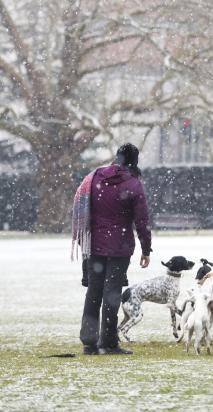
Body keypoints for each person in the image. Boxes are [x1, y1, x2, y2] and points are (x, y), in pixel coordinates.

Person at [72, 143, 152, 355]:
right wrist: (146, 249)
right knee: (112, 293)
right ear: (134, 161)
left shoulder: (95, 177)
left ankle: (89, 339)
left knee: (94, 291)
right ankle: (108, 341)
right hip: (120, 246)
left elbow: (83, 205)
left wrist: (84, 240)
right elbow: (142, 221)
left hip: (96, 244)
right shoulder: (134, 184)